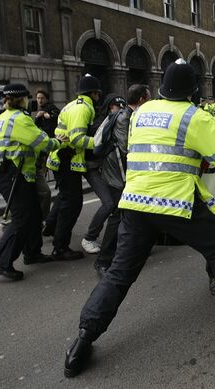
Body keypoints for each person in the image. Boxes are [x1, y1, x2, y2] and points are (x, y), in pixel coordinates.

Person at [64, 60, 215, 378]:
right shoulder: (195, 117)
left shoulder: (141, 112)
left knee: (120, 273)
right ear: (193, 91)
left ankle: (81, 342)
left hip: (134, 202)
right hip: (177, 204)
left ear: (161, 88)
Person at [0, 84, 64, 280]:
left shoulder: (6, 115)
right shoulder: (20, 119)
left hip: (18, 173)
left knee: (34, 213)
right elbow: (41, 141)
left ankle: (32, 253)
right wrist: (59, 141)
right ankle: (1, 262)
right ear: (21, 99)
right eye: (26, 98)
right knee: (21, 218)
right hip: (13, 173)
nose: (29, 101)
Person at [94, 84, 152, 277]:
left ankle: (132, 248)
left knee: (135, 212)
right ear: (142, 99)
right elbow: (128, 148)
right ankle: (103, 261)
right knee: (118, 215)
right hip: (117, 174)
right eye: (149, 98)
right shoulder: (124, 117)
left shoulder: (131, 115)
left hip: (125, 173)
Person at [46, 74, 102, 261]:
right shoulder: (83, 109)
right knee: (73, 203)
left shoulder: (72, 105)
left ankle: (51, 228)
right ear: (93, 93)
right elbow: (77, 138)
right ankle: (60, 247)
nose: (98, 97)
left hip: (62, 158)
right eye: (97, 93)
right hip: (66, 160)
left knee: (64, 197)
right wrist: (98, 143)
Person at [81, 93, 127, 255]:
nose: (120, 110)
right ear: (109, 107)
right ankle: (89, 238)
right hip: (94, 169)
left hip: (106, 171)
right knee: (110, 204)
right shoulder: (103, 124)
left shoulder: (115, 121)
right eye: (117, 107)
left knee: (116, 206)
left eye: (123, 107)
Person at [32, 89, 60, 221]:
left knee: (53, 167)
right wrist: (38, 117)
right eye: (38, 98)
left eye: (42, 98)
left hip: (53, 145)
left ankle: (59, 183)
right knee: (42, 173)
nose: (40, 100)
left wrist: (48, 115)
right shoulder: (38, 112)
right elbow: (35, 128)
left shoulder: (51, 108)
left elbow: (57, 117)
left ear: (47, 98)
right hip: (44, 147)